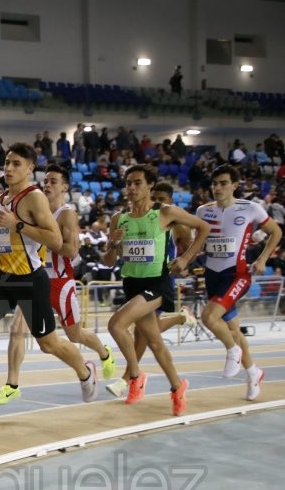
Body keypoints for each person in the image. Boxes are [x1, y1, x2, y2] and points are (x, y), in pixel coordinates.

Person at [0, 165, 117, 422]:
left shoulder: (62, 212)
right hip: (14, 278)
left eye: (53, 181)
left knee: (59, 340)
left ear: (64, 186)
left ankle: (92, 364)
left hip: (52, 280)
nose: (47, 185)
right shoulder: (12, 201)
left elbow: (66, 249)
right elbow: (13, 240)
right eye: (45, 180)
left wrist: (25, 230)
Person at [103, 165, 209, 416]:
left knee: (116, 325)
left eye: (137, 183)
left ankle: (135, 377)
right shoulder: (120, 219)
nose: (131, 188)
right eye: (128, 183)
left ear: (150, 185)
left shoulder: (164, 213)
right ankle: (177, 386)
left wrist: (185, 259)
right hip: (132, 283)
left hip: (157, 284)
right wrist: (114, 244)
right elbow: (108, 261)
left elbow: (204, 228)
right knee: (155, 342)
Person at [196, 165, 281, 400]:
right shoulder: (203, 211)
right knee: (233, 329)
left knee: (208, 317)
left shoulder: (251, 208)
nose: (217, 188)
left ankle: (232, 350)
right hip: (212, 274)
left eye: (223, 183)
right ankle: (254, 372)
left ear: (235, 185)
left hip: (237, 274)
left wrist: (263, 259)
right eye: (214, 183)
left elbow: (276, 232)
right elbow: (198, 241)